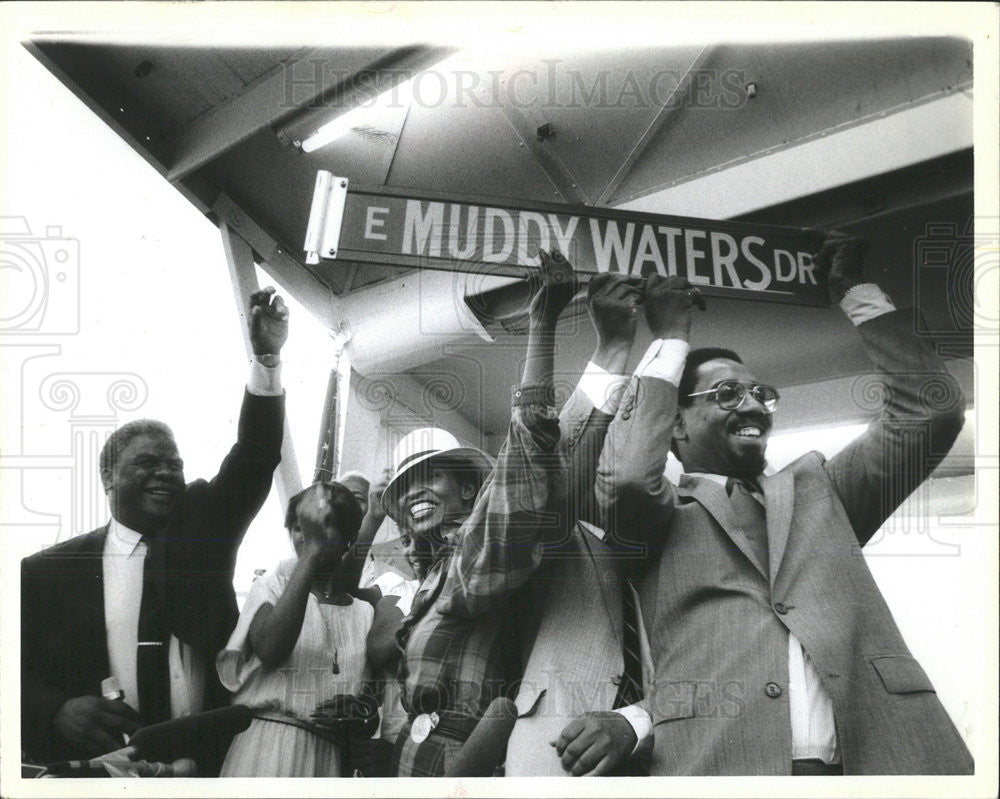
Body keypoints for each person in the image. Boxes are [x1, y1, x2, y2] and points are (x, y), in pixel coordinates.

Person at [554, 232, 974, 775]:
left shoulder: (821, 489)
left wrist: (855, 293)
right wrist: (671, 338)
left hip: (887, 764)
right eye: (726, 394)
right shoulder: (656, 515)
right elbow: (630, 477)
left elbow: (930, 414)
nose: (753, 402)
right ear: (676, 423)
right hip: (725, 767)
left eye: (760, 393)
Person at [21, 287, 288, 772]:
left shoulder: (203, 529)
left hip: (203, 765)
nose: (166, 472)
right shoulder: (45, 571)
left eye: (174, 464)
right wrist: (54, 710)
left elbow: (255, 458)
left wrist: (266, 359)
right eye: (146, 463)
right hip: (100, 768)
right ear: (108, 477)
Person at [385, 249, 578, 777]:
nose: (413, 493)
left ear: (472, 493)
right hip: (410, 758)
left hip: (462, 761)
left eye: (432, 476)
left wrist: (542, 325)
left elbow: (529, 449)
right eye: (402, 487)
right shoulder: (430, 579)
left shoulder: (475, 555)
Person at [504, 272, 655, 776]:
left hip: (658, 755)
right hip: (554, 751)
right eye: (614, 429)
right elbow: (555, 441)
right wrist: (612, 350)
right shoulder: (556, 533)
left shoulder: (665, 542)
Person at [216, 481, 374, 777]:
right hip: (267, 749)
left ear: (349, 538)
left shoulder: (364, 613)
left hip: (327, 757)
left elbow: (369, 698)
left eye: (323, 527)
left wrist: (358, 710)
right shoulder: (271, 585)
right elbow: (271, 649)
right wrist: (314, 554)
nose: (308, 538)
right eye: (301, 528)